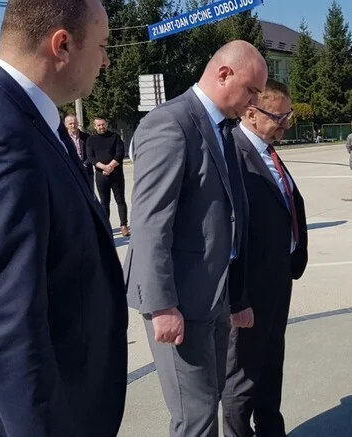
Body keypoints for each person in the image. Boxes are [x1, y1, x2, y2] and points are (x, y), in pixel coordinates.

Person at [0, 1, 128, 436]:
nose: (107, 59)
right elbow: (5, 325)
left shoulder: (14, 114)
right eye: (102, 45)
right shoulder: (0, 133)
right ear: (62, 46)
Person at [125, 40, 264, 437]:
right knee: (196, 416)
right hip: (180, 302)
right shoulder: (170, 123)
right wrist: (162, 305)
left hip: (213, 297)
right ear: (224, 75)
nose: (254, 101)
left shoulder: (222, 128)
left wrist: (237, 297)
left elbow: (231, 218)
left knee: (209, 400)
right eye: (252, 90)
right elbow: (151, 223)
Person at [222, 80, 309, 437]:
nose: (286, 123)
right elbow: (227, 234)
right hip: (250, 288)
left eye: (288, 115)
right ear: (252, 113)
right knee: (242, 379)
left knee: (272, 366)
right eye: (280, 116)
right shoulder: (232, 154)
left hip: (277, 278)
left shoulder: (266, 149)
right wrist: (236, 297)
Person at [86, 116, 130, 236]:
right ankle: (106, 226)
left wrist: (110, 166)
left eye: (103, 124)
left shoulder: (114, 137)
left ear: (107, 124)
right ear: (95, 126)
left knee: (120, 200)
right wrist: (104, 167)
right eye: (99, 125)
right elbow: (91, 157)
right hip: (101, 176)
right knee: (104, 203)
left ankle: (124, 226)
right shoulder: (91, 140)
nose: (101, 127)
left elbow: (120, 153)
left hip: (116, 175)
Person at [64, 113, 93, 181]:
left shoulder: (87, 137)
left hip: (87, 171)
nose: (73, 125)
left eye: (75, 123)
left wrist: (85, 165)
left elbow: (92, 153)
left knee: (89, 191)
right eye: (70, 124)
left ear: (78, 123)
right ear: (66, 125)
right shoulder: (63, 139)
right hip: (71, 172)